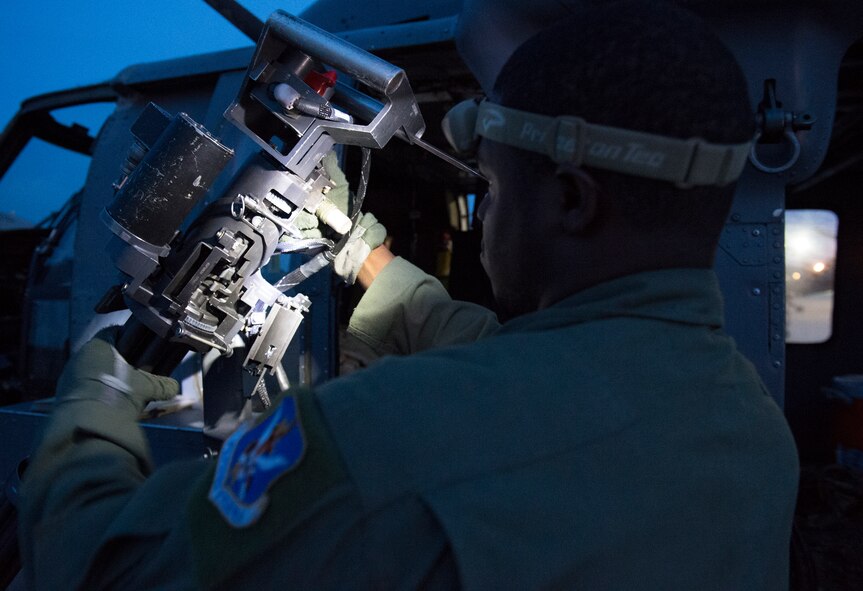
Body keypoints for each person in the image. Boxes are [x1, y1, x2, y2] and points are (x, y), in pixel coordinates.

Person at [19, 2, 799, 589]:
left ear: (570, 201)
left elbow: (95, 566)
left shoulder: (381, 434)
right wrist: (363, 250)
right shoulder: (751, 426)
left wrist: (100, 398)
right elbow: (500, 353)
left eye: (491, 188)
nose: (484, 216)